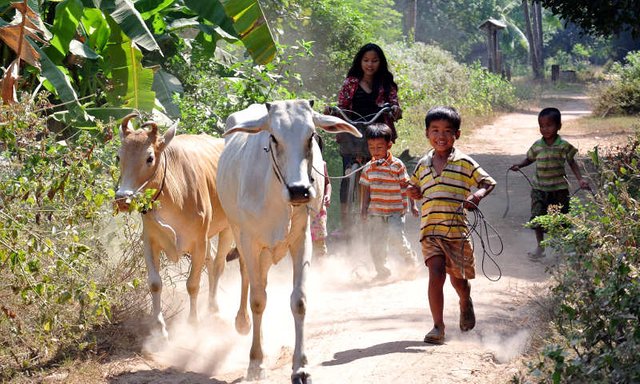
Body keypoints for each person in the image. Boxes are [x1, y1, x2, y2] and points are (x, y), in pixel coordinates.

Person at [407, 106, 496, 345]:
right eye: (435, 130)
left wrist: (476, 196)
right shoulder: (422, 164)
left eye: (447, 131)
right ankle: (438, 326)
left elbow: (487, 182)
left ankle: (465, 301)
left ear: (457, 134)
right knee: (435, 273)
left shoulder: (465, 163)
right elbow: (413, 187)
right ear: (427, 133)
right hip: (431, 231)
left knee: (459, 280)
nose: (441, 136)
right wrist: (413, 192)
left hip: (456, 232)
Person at [328, 43, 402, 234]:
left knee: (379, 176)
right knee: (347, 176)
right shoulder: (350, 83)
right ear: (360, 62)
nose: (370, 64)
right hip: (352, 133)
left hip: (376, 135)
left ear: (381, 63)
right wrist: (331, 112)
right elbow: (341, 105)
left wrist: (395, 109)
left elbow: (394, 104)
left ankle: (378, 221)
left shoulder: (386, 84)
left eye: (374, 61)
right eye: (366, 60)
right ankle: (344, 225)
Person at [510, 107, 589, 259]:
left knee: (562, 219)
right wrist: (519, 165)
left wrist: (580, 179)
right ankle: (540, 248)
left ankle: (564, 250)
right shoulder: (537, 145)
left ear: (559, 126)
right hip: (539, 189)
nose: (545, 129)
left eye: (549, 125)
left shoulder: (564, 146)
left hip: (559, 190)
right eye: (542, 126)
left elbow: (572, 162)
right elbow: (529, 159)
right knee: (537, 218)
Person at [359, 123, 419, 280]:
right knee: (376, 244)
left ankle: (409, 259)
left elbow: (408, 186)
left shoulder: (397, 165)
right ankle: (382, 271)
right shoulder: (368, 167)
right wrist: (364, 208)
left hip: (395, 211)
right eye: (371, 147)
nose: (375, 151)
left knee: (396, 237)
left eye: (379, 147)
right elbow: (365, 188)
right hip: (376, 212)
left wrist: (413, 205)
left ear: (389, 145)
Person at [311, 136, 331, 258]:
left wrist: (327, 195)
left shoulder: (321, 164)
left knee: (319, 241)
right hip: (300, 210)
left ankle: (321, 269)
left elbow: (327, 183)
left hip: (318, 209)